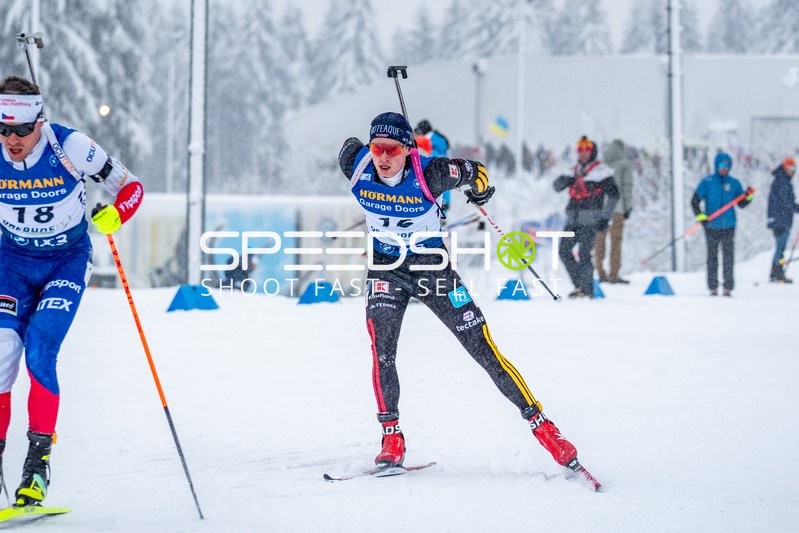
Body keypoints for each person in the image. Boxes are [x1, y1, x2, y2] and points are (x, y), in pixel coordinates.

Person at [337, 112, 592, 476]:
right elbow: (348, 146)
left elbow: (476, 171)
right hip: (387, 270)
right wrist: (359, 145)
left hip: (433, 270)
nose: (383, 157)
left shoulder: (433, 172)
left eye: (392, 149)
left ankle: (546, 429)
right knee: (383, 352)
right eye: (378, 148)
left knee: (483, 350)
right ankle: (391, 437)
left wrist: (480, 191)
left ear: (408, 150)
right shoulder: (356, 163)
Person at [0, 76, 144, 506]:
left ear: (40, 123)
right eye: (3, 130)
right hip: (11, 265)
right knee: (2, 355)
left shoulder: (71, 147)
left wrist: (114, 217)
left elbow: (131, 189)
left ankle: (36, 470)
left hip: (65, 261)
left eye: (22, 130)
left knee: (41, 348)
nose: (12, 140)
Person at [553, 136, 619, 298]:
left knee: (584, 254)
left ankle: (587, 290)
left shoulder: (601, 172)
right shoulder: (574, 171)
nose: (582, 153)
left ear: (592, 152)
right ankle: (579, 285)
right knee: (563, 251)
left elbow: (614, 195)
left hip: (591, 220)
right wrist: (566, 178)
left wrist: (605, 217)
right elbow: (556, 187)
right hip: (573, 220)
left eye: (586, 150)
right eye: (580, 150)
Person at [691, 152, 753, 296]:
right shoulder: (707, 182)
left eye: (726, 165)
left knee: (728, 258)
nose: (724, 168)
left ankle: (728, 287)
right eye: (721, 165)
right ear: (716, 165)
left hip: (729, 226)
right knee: (712, 257)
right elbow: (694, 201)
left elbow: (741, 203)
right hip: (711, 226)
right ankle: (713, 287)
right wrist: (701, 216)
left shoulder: (734, 183)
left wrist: (748, 196)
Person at [594, 139, 634, 284]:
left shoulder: (601, 165)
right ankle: (614, 274)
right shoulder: (625, 164)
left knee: (599, 241)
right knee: (616, 242)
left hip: (601, 209)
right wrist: (628, 207)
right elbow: (627, 187)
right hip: (617, 209)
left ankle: (600, 272)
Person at [767, 156, 799, 283]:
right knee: (780, 246)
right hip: (780, 219)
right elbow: (787, 202)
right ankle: (776, 272)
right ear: (785, 168)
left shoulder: (782, 181)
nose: (792, 171)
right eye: (790, 168)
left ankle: (777, 271)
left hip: (780, 219)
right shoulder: (782, 182)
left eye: (794, 168)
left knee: (781, 246)